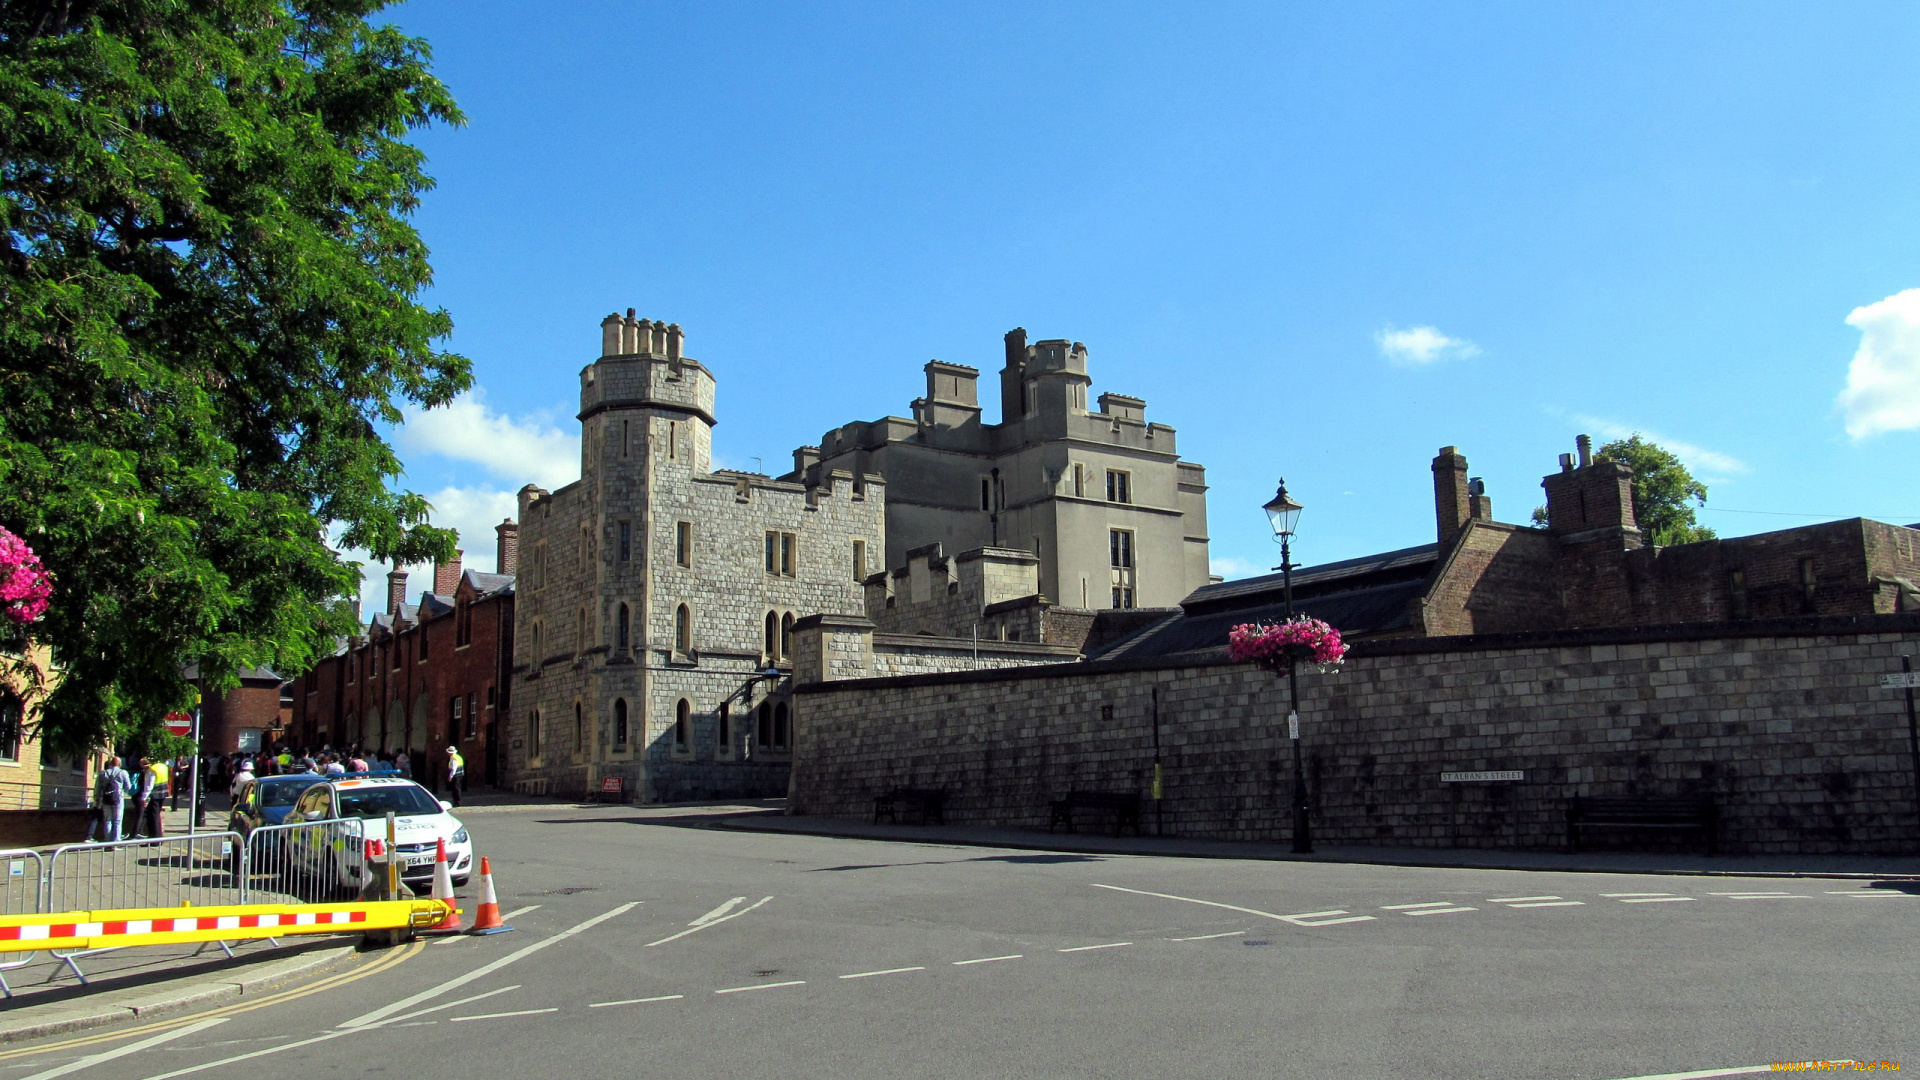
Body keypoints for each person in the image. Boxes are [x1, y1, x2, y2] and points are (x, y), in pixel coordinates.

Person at [89, 756, 131, 843]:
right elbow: (128, 786)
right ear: (120, 763)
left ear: (111, 763)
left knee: (108, 821)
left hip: (105, 799)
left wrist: (97, 799)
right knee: (117, 821)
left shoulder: (103, 773)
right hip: (118, 798)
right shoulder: (123, 773)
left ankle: (107, 841)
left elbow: (98, 787)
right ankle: (116, 841)